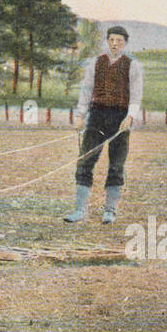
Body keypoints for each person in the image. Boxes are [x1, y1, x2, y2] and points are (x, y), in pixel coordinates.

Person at [65, 25, 143, 224]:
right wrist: (81, 116)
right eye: (112, 40)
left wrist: (130, 117)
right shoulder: (95, 63)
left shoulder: (132, 65)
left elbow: (136, 96)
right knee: (85, 161)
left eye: (119, 41)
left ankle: (110, 211)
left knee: (116, 166)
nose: (115, 44)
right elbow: (85, 91)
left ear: (125, 43)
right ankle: (80, 210)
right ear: (107, 41)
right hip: (97, 116)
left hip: (120, 118)